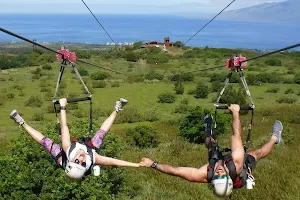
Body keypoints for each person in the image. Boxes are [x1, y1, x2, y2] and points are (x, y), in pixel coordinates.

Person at [140, 104, 283, 197]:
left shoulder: (203, 175)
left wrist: (153, 164)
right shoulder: (238, 163)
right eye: (223, 176)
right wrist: (235, 113)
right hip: (238, 165)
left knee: (211, 147)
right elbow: (236, 135)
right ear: (228, 177)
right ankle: (275, 137)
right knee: (257, 154)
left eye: (217, 177)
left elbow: (175, 171)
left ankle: (208, 130)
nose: (219, 173)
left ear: (212, 180)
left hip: (222, 162)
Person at [10, 98, 140, 180]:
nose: (82, 158)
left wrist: (62, 106)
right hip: (88, 153)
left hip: (65, 157)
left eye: (78, 160)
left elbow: (64, 126)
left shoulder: (68, 151)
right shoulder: (92, 160)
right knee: (100, 134)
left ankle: (21, 122)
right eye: (83, 163)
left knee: (46, 142)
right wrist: (137, 165)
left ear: (72, 159)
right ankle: (117, 108)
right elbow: (116, 162)